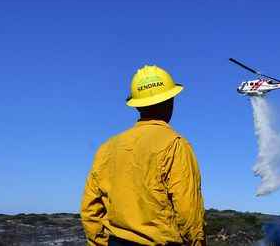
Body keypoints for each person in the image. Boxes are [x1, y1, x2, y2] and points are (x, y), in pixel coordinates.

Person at [81, 65, 206, 246]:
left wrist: (99, 243)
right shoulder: (175, 144)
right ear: (170, 101)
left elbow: (90, 210)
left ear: (137, 106)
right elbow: (188, 211)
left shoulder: (107, 148)